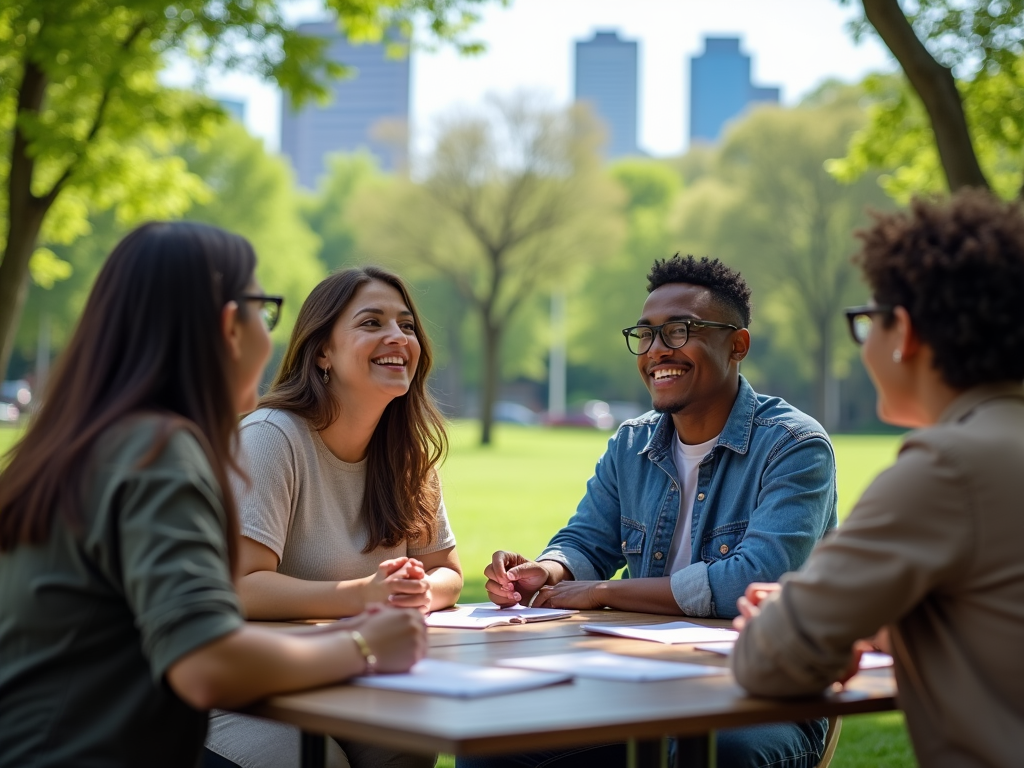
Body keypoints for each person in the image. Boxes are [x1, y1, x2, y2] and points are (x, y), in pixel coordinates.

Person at [0, 222, 426, 768]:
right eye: (264, 310)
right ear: (230, 325)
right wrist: (364, 647)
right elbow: (204, 660)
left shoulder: (82, 446)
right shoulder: (160, 455)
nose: (272, 337)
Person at [471, 255, 837, 768]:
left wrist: (601, 592)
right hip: (641, 683)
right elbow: (585, 541)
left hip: (766, 692)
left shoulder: (794, 446)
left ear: (738, 345)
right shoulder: (632, 443)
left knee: (718, 756)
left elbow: (751, 581)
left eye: (679, 331)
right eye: (645, 335)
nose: (656, 351)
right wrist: (547, 571)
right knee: (496, 748)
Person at [732, 190, 1024, 768]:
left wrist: (793, 623)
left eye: (868, 323)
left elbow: (769, 660)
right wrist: (855, 622)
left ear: (905, 333)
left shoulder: (946, 467)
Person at [205, 266, 462, 768]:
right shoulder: (271, 438)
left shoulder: (409, 455)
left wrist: (416, 592)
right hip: (244, 690)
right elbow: (238, 586)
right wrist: (365, 596)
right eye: (372, 322)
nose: (397, 337)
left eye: (407, 325)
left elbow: (448, 572)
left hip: (351, 675)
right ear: (322, 351)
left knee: (411, 743)